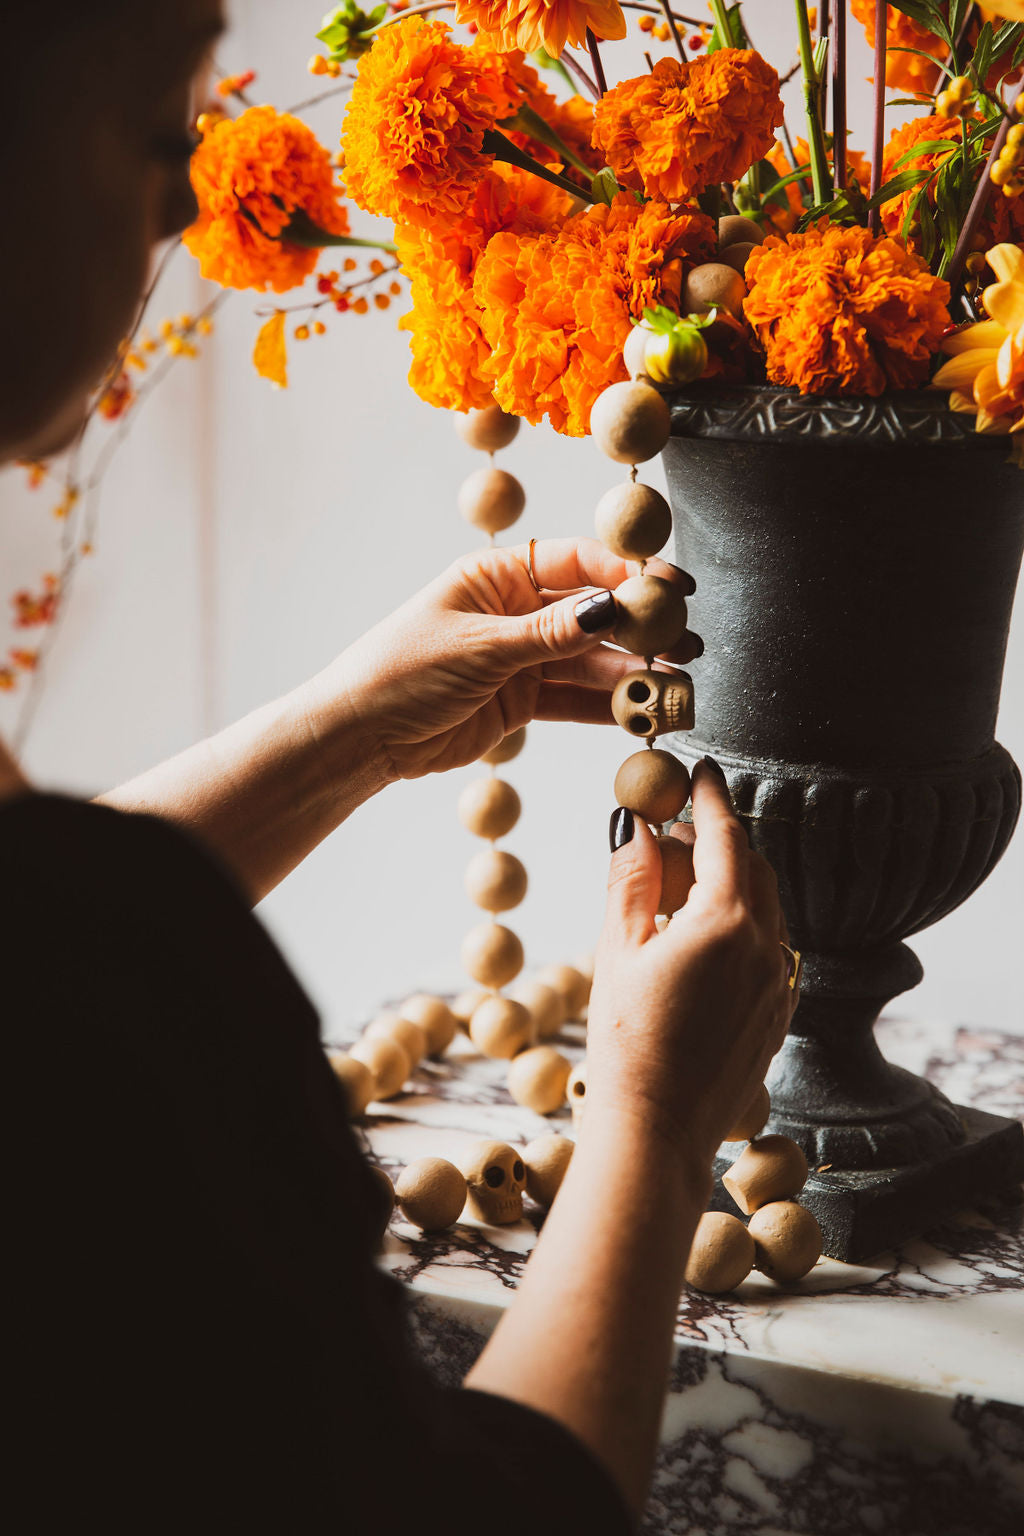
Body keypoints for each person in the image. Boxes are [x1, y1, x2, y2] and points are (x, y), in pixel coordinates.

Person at [3, 3, 797, 1529]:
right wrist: (645, 1129)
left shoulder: (87, 959)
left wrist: (358, 728)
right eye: (156, 131)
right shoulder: (111, 1005)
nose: (184, 201)